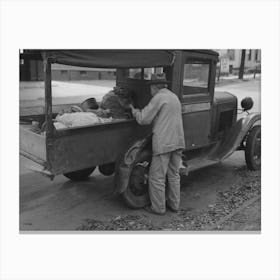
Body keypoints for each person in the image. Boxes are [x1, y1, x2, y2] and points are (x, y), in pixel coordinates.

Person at [129, 73, 185, 215]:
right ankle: (174, 205)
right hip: (178, 141)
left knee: (156, 177)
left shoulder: (158, 98)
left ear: (154, 86)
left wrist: (133, 110)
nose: (150, 90)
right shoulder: (173, 97)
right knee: (174, 174)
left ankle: (158, 208)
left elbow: (143, 119)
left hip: (164, 143)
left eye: (150, 87)